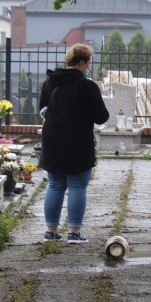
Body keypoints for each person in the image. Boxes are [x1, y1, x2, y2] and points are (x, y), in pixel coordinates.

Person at [38, 43, 109, 243]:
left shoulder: (49, 83)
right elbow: (101, 117)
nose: (89, 66)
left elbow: (42, 110)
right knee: (77, 186)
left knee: (55, 185)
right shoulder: (87, 86)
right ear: (82, 62)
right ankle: (74, 233)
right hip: (78, 141)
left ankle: (51, 231)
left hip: (52, 140)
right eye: (89, 62)